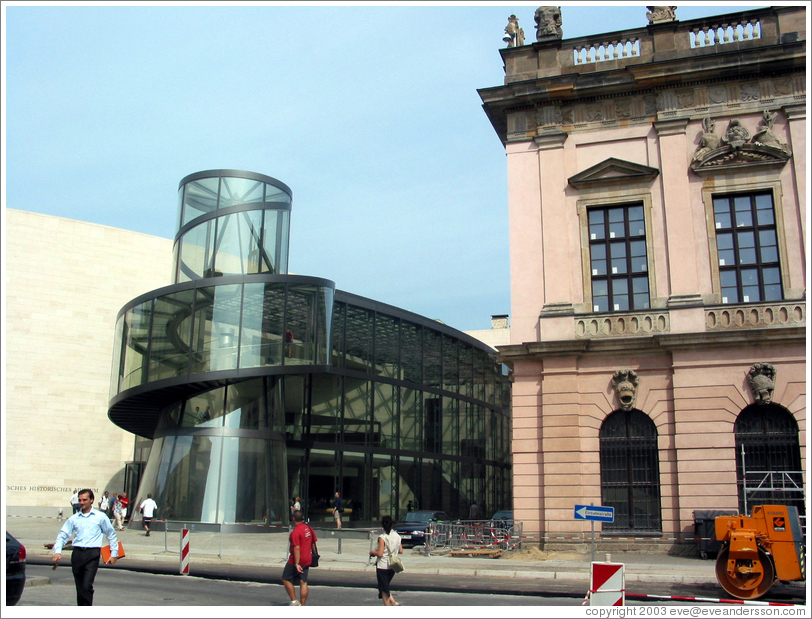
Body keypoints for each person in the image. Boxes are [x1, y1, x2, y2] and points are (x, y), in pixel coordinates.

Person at [52, 488, 118, 605]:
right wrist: (57, 551)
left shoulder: (100, 517)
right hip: (77, 554)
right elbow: (63, 535)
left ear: (91, 500)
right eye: (80, 500)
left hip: (92, 554)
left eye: (84, 500)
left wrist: (114, 554)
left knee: (87, 586)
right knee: (80, 587)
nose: (81, 502)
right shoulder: (74, 518)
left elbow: (111, 535)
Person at [282, 510, 317, 606]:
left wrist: (297, 563)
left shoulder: (295, 532)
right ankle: (303, 604)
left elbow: (296, 548)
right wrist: (314, 555)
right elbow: (313, 542)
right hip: (307, 558)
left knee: (285, 578)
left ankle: (294, 601)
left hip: (295, 560)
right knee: (303, 581)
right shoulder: (309, 529)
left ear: (293, 519)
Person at [369, 515, 403, 606]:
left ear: (382, 525)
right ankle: (393, 602)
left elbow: (380, 554)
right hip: (392, 566)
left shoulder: (382, 537)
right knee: (385, 586)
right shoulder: (397, 536)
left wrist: (372, 552)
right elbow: (401, 550)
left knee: (384, 590)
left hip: (382, 566)